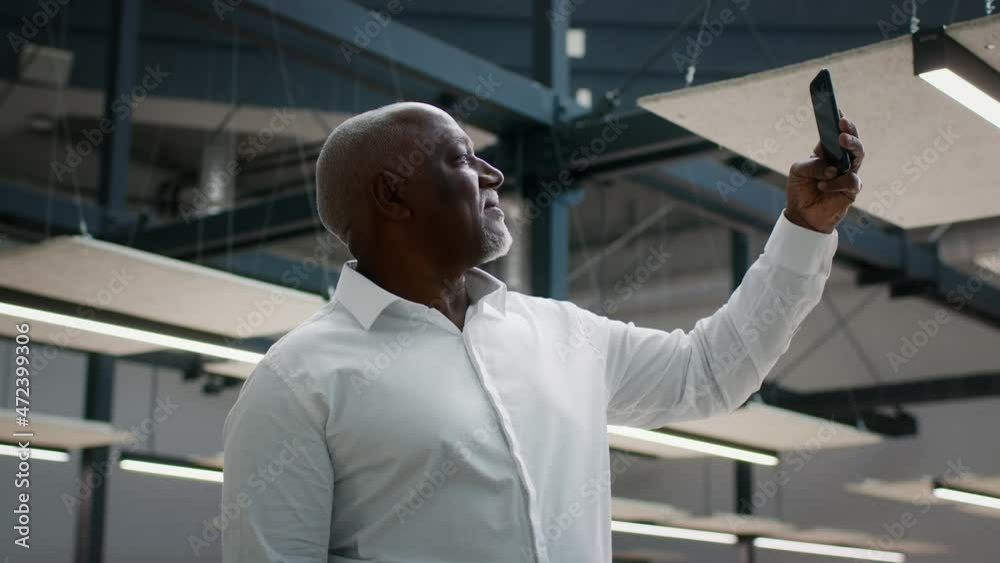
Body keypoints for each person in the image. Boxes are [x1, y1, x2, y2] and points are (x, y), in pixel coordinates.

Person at [221, 101, 864, 562]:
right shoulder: (298, 381)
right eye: (462, 160)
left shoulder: (561, 333)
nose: (493, 175)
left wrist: (804, 231)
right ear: (392, 196)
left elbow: (711, 370)